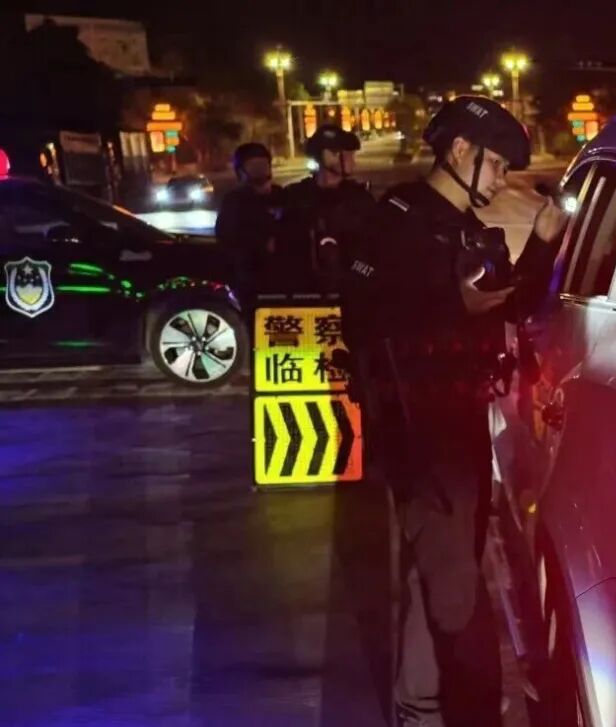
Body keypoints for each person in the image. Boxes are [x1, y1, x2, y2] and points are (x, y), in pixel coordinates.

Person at [340, 96, 569, 727]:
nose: (500, 179)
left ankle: (421, 706)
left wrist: (540, 248)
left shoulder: (464, 227)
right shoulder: (399, 220)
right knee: (457, 593)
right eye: (495, 164)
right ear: (460, 151)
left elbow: (508, 305)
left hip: (460, 425)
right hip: (422, 435)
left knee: (441, 575)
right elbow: (369, 310)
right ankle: (470, 713)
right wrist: (454, 298)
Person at [279, 124, 375, 293]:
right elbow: (283, 251)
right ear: (328, 155)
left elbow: (374, 251)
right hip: (306, 292)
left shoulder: (360, 198)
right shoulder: (295, 197)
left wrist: (362, 277)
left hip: (351, 291)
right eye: (348, 155)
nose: (353, 161)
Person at [214, 142, 283, 305]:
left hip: (285, 282)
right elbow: (228, 241)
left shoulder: (282, 195)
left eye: (263, 165)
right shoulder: (234, 202)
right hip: (251, 285)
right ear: (240, 172)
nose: (260, 172)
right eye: (254, 167)